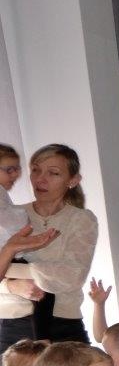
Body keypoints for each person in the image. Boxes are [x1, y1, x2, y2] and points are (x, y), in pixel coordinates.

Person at [0, 145, 98, 348]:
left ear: (73, 180)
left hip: (62, 325)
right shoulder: (10, 216)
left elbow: (72, 275)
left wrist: (12, 270)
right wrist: (11, 286)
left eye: (53, 173)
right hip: (10, 326)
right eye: (36, 170)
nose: (40, 179)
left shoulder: (81, 219)